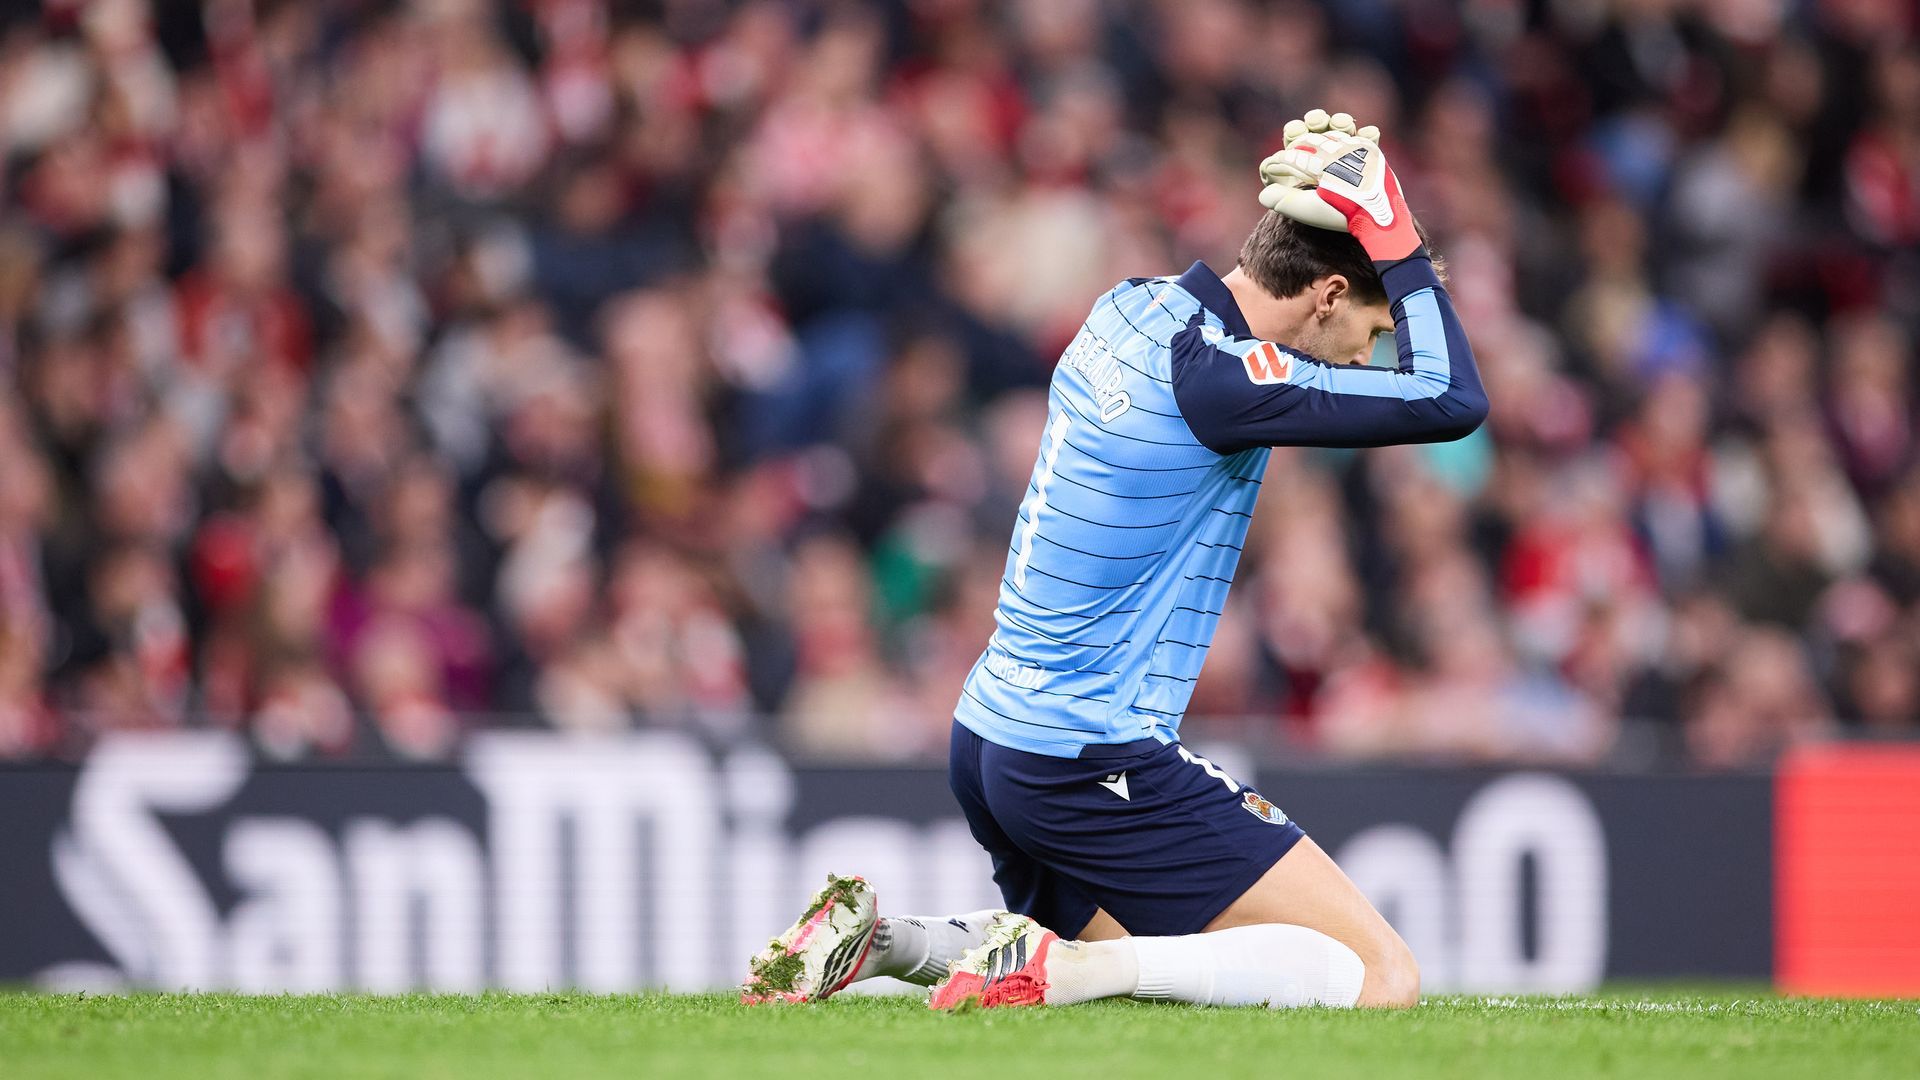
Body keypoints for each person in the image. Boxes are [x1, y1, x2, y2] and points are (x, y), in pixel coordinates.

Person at [742, 112, 1486, 1010]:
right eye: (1369, 330)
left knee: (1147, 971)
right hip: (1085, 752)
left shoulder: (1130, 304)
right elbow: (1450, 397)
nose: (1368, 355)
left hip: (990, 736)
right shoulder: (1221, 379)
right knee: (1381, 976)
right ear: (1327, 294)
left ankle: (880, 940)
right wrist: (1396, 242)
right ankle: (1067, 971)